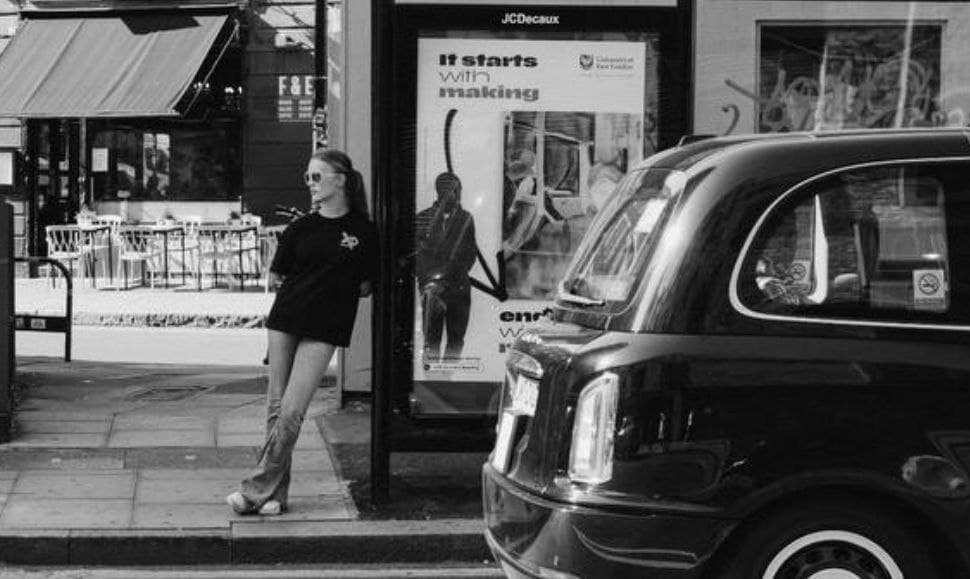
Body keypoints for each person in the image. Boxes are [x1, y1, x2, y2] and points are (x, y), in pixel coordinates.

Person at [226, 149, 377, 516]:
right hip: (286, 320)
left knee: (292, 411)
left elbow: (366, 286)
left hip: (326, 327)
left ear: (340, 179)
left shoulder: (363, 231)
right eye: (307, 177)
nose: (309, 184)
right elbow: (279, 275)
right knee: (276, 408)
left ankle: (255, 489)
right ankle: (275, 494)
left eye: (316, 176)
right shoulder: (299, 228)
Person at [414, 172, 477, 362]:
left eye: (458, 190)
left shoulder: (466, 218)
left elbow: (469, 252)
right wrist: (429, 282)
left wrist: (453, 277)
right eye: (454, 190)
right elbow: (417, 256)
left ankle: (448, 377)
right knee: (431, 339)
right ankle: (432, 380)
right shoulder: (423, 217)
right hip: (432, 289)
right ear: (442, 192)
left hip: (458, 287)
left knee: (456, 339)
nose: (458, 195)